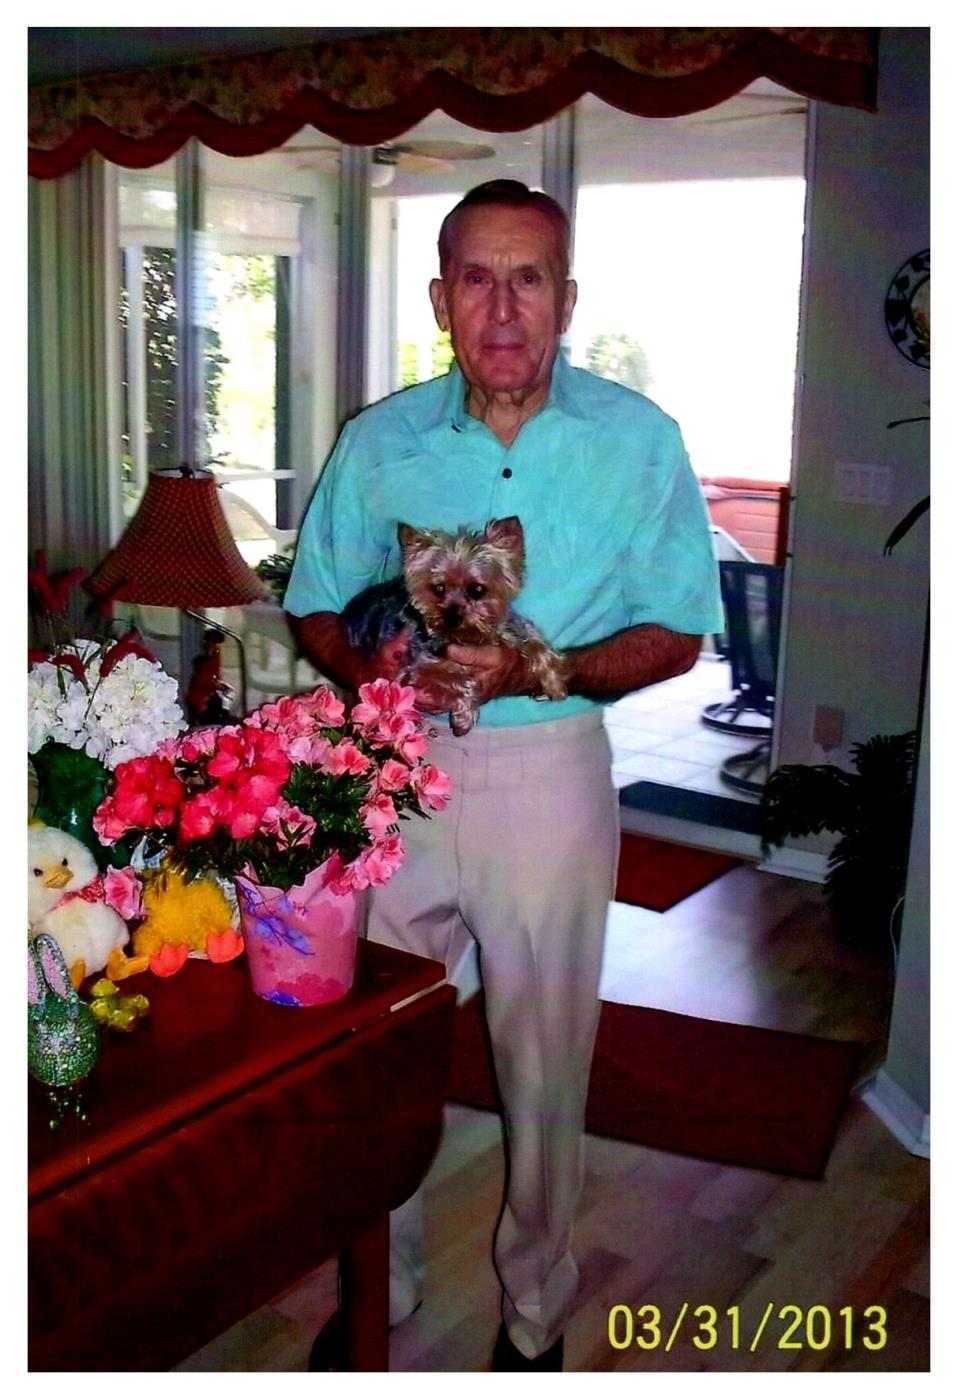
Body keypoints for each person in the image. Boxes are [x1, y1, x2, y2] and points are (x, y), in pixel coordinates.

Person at [284, 180, 723, 1371]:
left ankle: (535, 1309)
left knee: (543, 1059)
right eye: (477, 278)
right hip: (400, 770)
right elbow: (313, 600)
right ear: (441, 299)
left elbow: (678, 630)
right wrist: (367, 664)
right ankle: (380, 1281)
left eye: (529, 279)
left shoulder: (639, 440)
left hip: (551, 770)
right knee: (380, 1041)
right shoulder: (379, 439)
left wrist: (543, 667)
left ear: (566, 299)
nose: (504, 308)